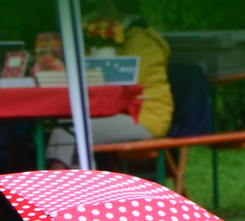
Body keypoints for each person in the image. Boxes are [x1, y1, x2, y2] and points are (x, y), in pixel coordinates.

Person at [46, 1, 173, 168]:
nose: (100, 11)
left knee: (67, 132)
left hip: (145, 117)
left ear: (121, 9)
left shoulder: (141, 40)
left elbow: (126, 85)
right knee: (68, 129)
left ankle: (61, 192)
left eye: (105, 6)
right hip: (128, 113)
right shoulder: (116, 37)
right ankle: (75, 190)